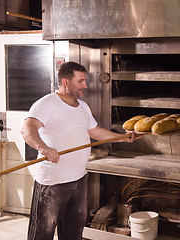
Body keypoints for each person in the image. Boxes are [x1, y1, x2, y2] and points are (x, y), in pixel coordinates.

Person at [21, 61, 141, 240]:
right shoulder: (47, 103)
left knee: (73, 234)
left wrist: (123, 138)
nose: (85, 85)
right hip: (52, 183)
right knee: (41, 234)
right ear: (65, 82)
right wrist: (43, 148)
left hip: (78, 180)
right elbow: (27, 129)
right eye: (81, 81)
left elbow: (95, 131)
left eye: (85, 81)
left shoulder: (83, 107)